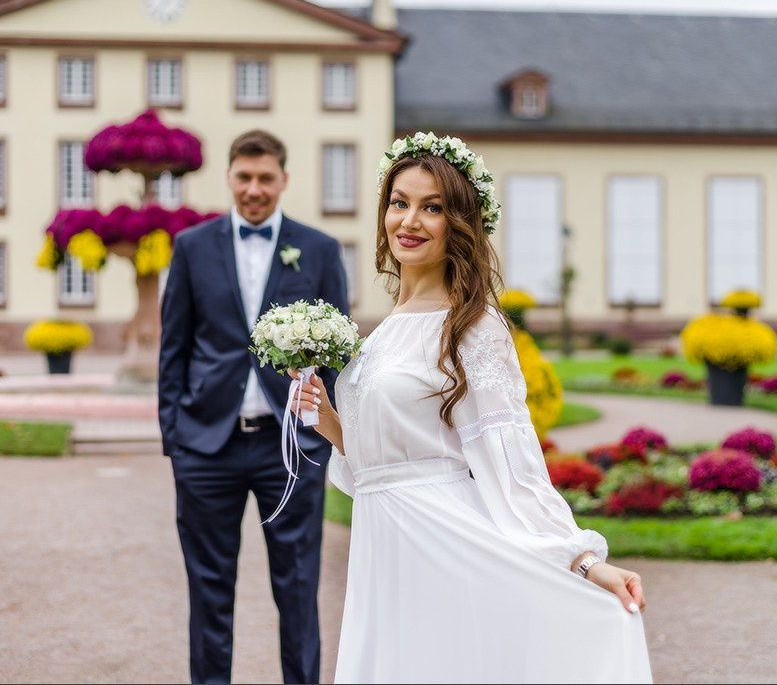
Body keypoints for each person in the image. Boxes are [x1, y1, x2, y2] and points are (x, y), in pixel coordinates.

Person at [290, 132, 654, 683]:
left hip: (443, 539)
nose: (409, 221)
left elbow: (512, 459)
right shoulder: (386, 328)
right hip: (384, 540)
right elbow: (380, 461)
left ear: (458, 223)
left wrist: (581, 560)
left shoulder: (472, 326)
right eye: (399, 202)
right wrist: (327, 420)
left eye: (431, 207)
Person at [158, 128, 350, 685]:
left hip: (289, 449)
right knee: (209, 590)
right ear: (229, 178)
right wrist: (175, 435)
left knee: (296, 588)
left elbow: (337, 355)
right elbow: (174, 348)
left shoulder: (318, 250)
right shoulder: (192, 247)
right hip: (205, 448)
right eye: (244, 177)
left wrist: (322, 433)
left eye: (266, 178)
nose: (255, 189)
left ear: (283, 180)